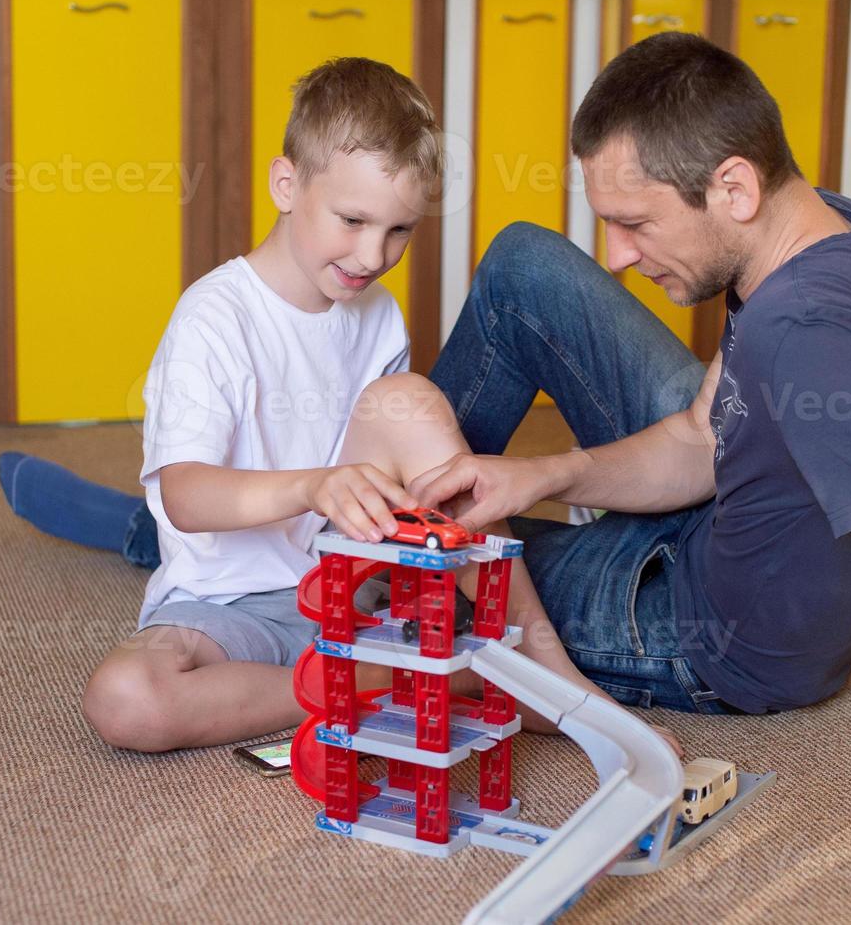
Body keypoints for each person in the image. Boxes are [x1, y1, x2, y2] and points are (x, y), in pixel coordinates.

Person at [4, 34, 851, 922]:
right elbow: (708, 440)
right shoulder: (837, 233)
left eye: (631, 221)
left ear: (730, 187)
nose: (616, 254)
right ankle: (201, 513)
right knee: (506, 298)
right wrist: (538, 471)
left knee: (447, 558)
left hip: (706, 622)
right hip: (675, 524)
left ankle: (216, 529)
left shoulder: (812, 336)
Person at [36, 57, 620, 755]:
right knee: (127, 697)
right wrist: (313, 485)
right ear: (286, 184)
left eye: (399, 231)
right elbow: (187, 496)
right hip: (227, 611)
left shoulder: (377, 316)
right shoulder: (213, 318)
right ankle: (394, 680)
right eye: (352, 220)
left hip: (348, 590)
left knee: (409, 399)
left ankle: (538, 665)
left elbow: (402, 467)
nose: (373, 254)